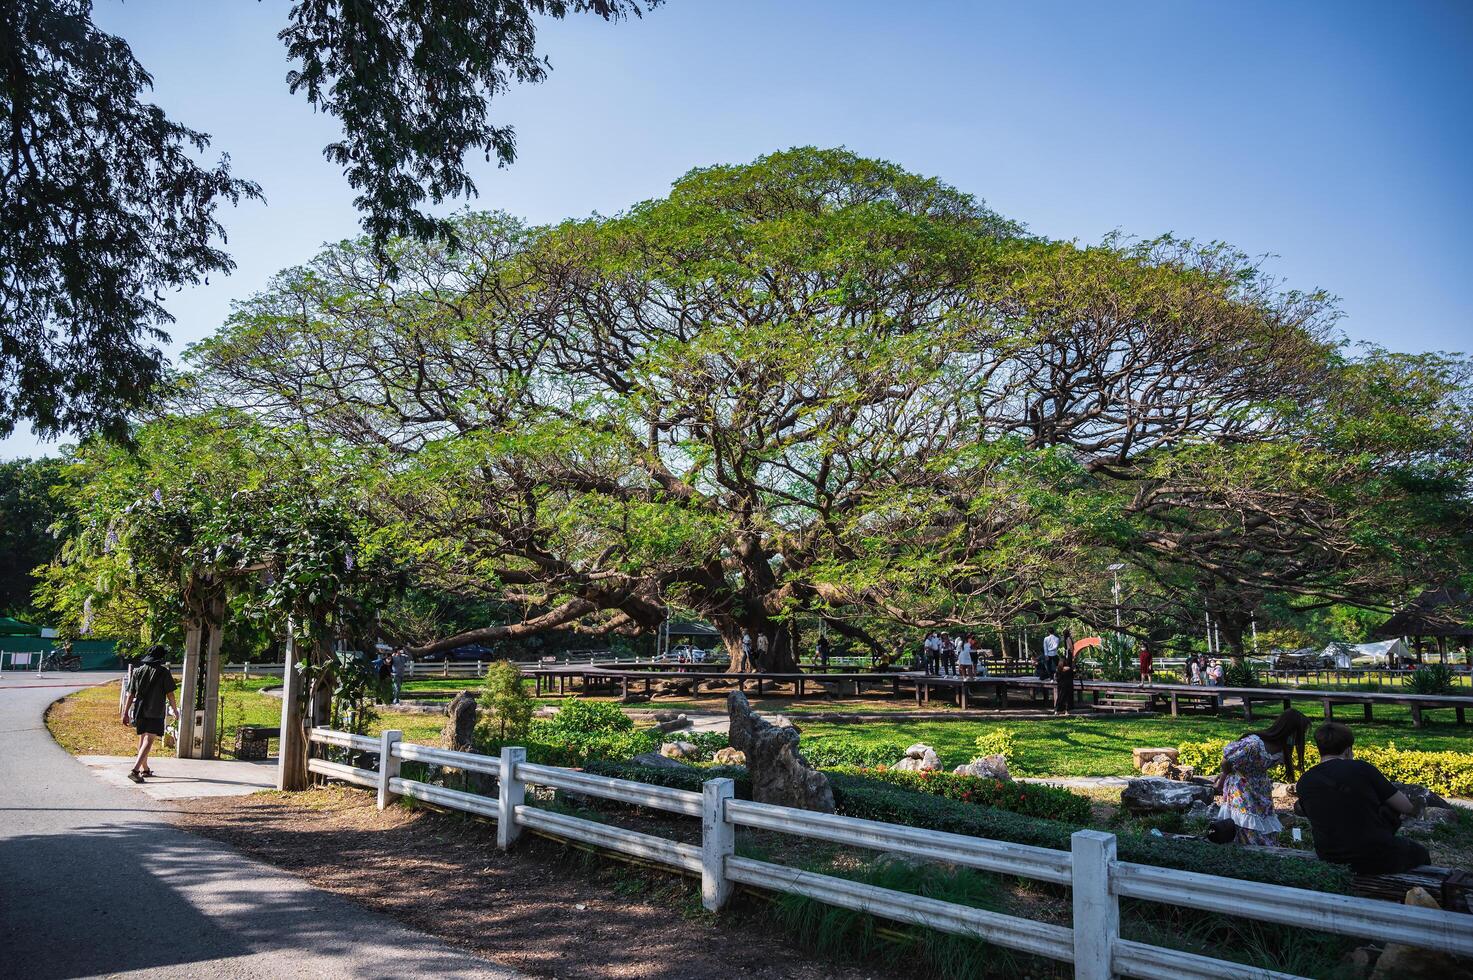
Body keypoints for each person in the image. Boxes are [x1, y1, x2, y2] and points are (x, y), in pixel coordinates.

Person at [1296, 722, 1428, 874]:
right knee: (1420, 854)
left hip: (1329, 855)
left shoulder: (1304, 781)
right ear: (1348, 750)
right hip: (1376, 853)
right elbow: (1406, 807)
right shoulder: (1362, 768)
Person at [1212, 708, 1311, 846]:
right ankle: (1249, 851)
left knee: (1262, 822)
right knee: (1245, 824)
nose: (1301, 737)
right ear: (1289, 730)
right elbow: (1227, 760)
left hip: (1260, 789)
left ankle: (1264, 852)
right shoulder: (1253, 744)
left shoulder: (1283, 748)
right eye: (1300, 733)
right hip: (1242, 789)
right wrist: (1222, 779)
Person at [119, 644, 179, 784]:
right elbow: (170, 694)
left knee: (142, 738)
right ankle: (135, 770)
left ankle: (145, 769)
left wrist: (126, 712)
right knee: (149, 740)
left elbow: (130, 694)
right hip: (155, 710)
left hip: (139, 709)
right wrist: (175, 710)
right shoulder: (163, 672)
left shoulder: (138, 671)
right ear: (161, 657)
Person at [1053, 645, 1076, 715]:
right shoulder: (1068, 669)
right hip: (1067, 685)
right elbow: (1072, 675)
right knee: (1067, 698)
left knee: (1060, 698)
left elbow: (1057, 677)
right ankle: (1066, 711)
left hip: (1060, 685)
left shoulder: (1058, 669)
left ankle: (1057, 710)